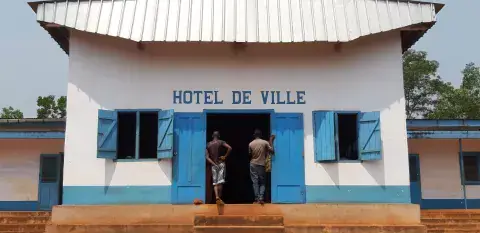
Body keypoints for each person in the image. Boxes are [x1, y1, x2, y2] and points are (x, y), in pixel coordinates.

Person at [249, 129, 275, 204]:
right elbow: (272, 151)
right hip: (261, 164)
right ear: (261, 135)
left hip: (253, 164)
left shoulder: (250, 144)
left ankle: (256, 199)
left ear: (254, 135)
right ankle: (261, 198)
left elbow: (250, 154)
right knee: (262, 182)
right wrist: (272, 142)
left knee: (255, 182)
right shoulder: (265, 142)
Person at [206, 131, 232, 205]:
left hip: (214, 165)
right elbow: (230, 148)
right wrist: (225, 156)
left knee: (215, 182)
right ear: (219, 136)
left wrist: (213, 163)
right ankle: (219, 198)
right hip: (221, 163)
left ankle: (217, 197)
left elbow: (207, 157)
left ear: (212, 136)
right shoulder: (221, 142)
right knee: (220, 181)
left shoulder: (208, 145)